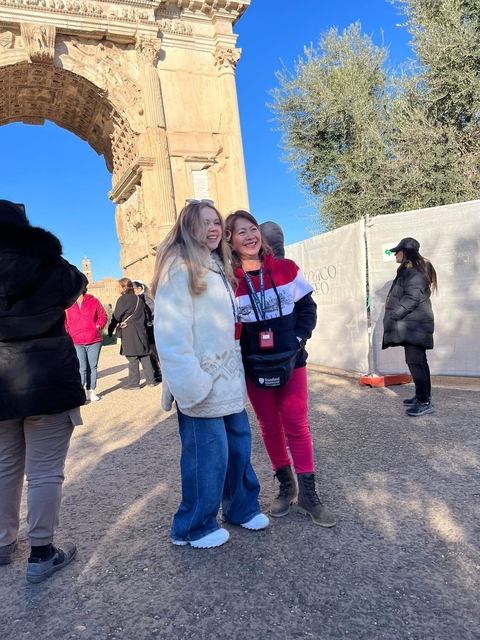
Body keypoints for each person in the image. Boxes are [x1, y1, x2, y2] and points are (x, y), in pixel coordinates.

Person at [151, 200, 269, 548]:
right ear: (190, 227)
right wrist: (191, 383)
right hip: (201, 381)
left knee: (237, 447)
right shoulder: (179, 267)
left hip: (227, 377)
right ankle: (192, 526)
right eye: (206, 223)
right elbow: (171, 333)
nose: (215, 228)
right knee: (207, 456)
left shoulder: (216, 265)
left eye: (217, 222)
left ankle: (242, 508)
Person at [225, 210, 336, 528]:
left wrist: (298, 338)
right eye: (240, 232)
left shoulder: (287, 269)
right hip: (254, 367)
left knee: (297, 425)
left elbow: (307, 308)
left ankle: (309, 495)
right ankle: (286, 486)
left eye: (253, 229)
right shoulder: (230, 281)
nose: (249, 236)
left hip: (292, 362)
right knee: (269, 427)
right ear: (231, 241)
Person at [0, 199, 86, 583]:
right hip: (48, 375)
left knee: (3, 467)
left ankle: (2, 544)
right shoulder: (50, 265)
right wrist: (44, 249)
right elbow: (76, 286)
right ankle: (41, 552)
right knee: (45, 471)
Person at [382, 237, 437, 417]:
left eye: (397, 251)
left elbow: (411, 298)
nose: (395, 255)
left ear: (406, 252)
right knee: (419, 362)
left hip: (415, 326)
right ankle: (422, 396)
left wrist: (394, 314)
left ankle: (424, 402)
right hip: (414, 325)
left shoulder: (414, 272)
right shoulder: (412, 271)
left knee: (416, 363)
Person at [108, 278, 158, 390]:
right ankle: (151, 381)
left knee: (132, 357)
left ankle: (134, 383)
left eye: (118, 286)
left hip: (129, 332)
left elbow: (116, 316)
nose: (117, 289)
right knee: (145, 355)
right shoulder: (138, 299)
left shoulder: (123, 299)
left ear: (123, 287)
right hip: (142, 330)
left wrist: (111, 329)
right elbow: (146, 314)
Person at [65, 288, 107, 402]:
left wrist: (98, 326)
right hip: (77, 340)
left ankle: (91, 391)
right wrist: (68, 331)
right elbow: (65, 321)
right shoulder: (68, 304)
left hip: (94, 339)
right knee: (81, 367)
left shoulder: (94, 301)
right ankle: (80, 392)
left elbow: (103, 315)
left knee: (92, 367)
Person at [132, 280, 161, 382]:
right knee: (151, 352)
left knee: (154, 351)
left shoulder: (145, 297)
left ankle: (160, 372)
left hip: (150, 329)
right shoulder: (139, 298)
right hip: (146, 329)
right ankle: (157, 371)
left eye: (133, 289)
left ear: (139, 289)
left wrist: (150, 321)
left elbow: (153, 310)